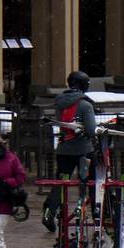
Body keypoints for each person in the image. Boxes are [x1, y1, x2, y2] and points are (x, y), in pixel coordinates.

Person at [42, 70, 97, 232]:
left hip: (64, 150)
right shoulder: (85, 104)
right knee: (90, 183)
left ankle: (49, 211)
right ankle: (96, 213)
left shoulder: (60, 101)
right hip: (84, 151)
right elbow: (91, 130)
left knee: (61, 183)